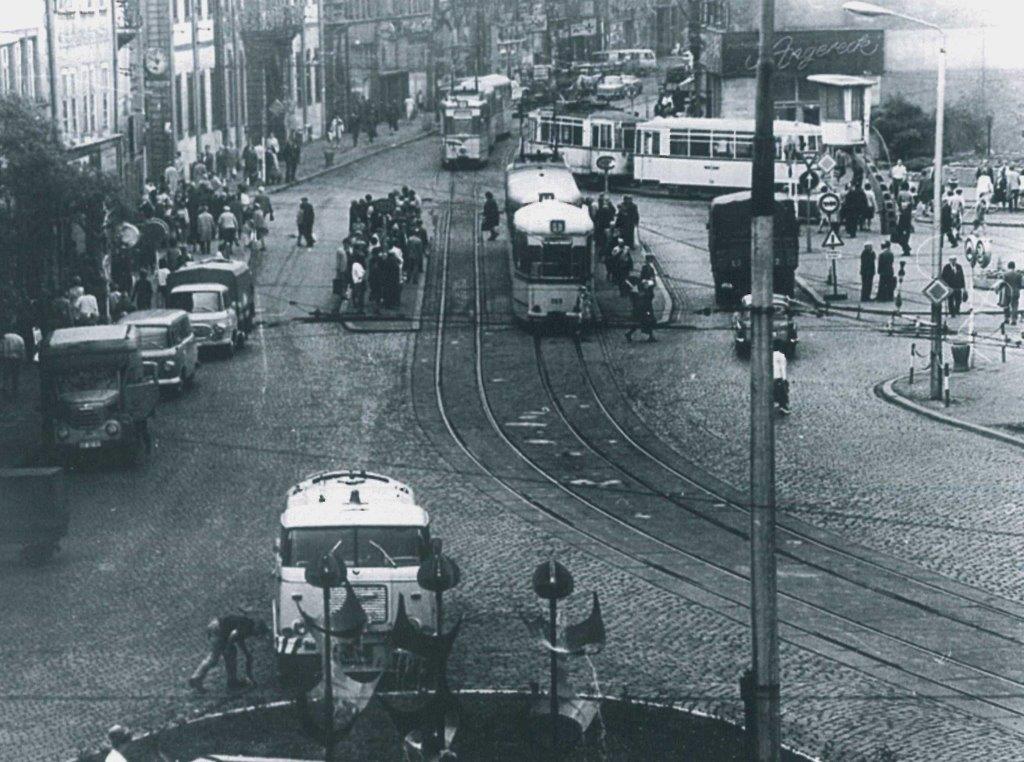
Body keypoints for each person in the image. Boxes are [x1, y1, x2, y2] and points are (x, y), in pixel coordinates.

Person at [188, 613, 269, 692]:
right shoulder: (247, 626)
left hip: (217, 627)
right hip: (218, 629)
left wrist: (246, 652)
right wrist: (228, 647)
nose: (257, 635)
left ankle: (232, 681)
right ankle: (196, 678)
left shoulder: (248, 625)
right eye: (259, 632)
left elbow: (239, 638)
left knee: (231, 653)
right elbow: (234, 634)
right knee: (215, 657)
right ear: (257, 627)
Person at [625, 277, 656, 342]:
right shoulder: (641, 292)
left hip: (643, 310)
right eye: (646, 284)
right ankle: (650, 336)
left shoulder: (644, 291)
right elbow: (643, 302)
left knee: (641, 323)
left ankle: (629, 334)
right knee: (646, 321)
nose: (647, 285)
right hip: (643, 311)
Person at [1, 328, 26, 398]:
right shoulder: (20, 338)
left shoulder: (5, 337)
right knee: (15, 376)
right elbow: (22, 350)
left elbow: (1, 348)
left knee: (6, 375)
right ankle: (15, 391)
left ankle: (5, 389)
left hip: (7, 358)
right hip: (16, 359)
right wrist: (23, 359)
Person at [773, 350, 790, 415]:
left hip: (772, 378)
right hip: (778, 378)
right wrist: (784, 379)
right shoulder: (781, 356)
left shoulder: (770, 354)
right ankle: (783, 406)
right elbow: (783, 368)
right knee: (781, 393)